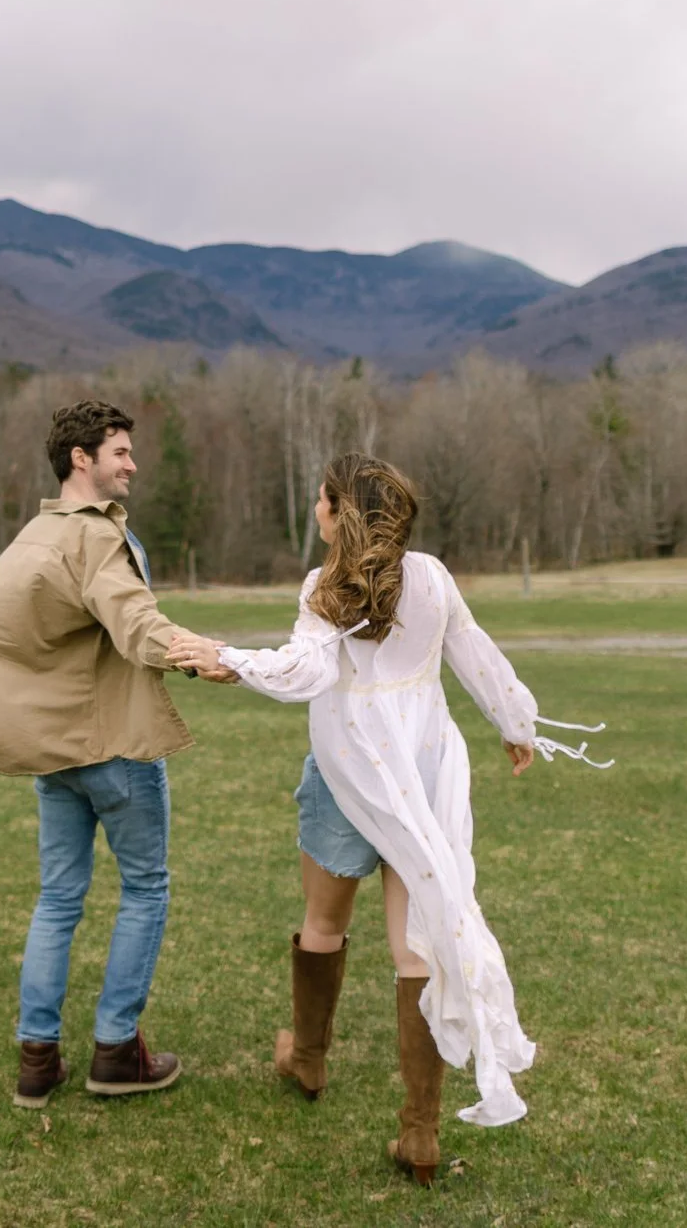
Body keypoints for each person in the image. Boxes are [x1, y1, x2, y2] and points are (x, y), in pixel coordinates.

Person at [172, 453, 607, 1186]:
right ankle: (420, 1133)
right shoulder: (431, 576)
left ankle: (308, 1059)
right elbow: (473, 650)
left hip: (350, 774)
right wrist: (515, 721)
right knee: (415, 944)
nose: (314, 510)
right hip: (423, 771)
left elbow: (307, 672)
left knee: (324, 923)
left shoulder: (322, 587)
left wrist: (227, 659)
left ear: (341, 511)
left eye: (320, 499)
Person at [0, 399, 204, 1109]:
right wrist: (197, 655)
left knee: (57, 898)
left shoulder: (24, 543)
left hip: (54, 755)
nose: (132, 464)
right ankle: (116, 1050)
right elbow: (134, 621)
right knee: (146, 888)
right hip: (113, 747)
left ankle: (36, 1060)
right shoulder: (95, 538)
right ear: (82, 457)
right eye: (120, 452)